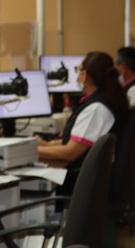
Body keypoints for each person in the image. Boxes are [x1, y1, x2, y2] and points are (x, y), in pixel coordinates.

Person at [38, 51, 128, 192]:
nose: (77, 75)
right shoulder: (103, 100)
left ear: (85, 75)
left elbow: (70, 152)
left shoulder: (96, 110)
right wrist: (46, 144)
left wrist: (31, 151)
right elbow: (78, 142)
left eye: (78, 70)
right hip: (89, 180)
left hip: (81, 185)